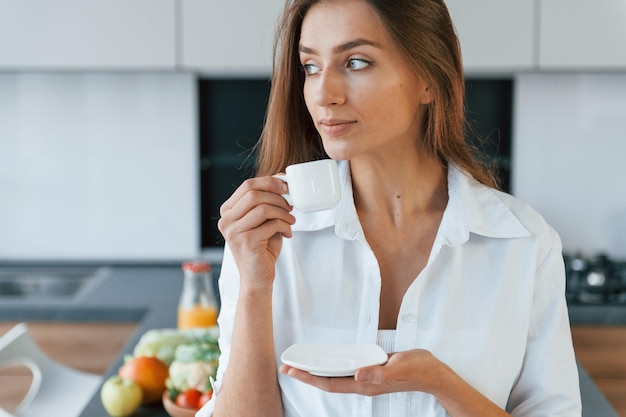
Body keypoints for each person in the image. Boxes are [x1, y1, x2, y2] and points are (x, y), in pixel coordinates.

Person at [199, 0, 582, 416]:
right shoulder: (267, 237)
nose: (325, 95)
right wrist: (255, 285)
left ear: (429, 80)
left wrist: (441, 383)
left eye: (357, 62)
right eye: (310, 67)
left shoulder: (524, 244)